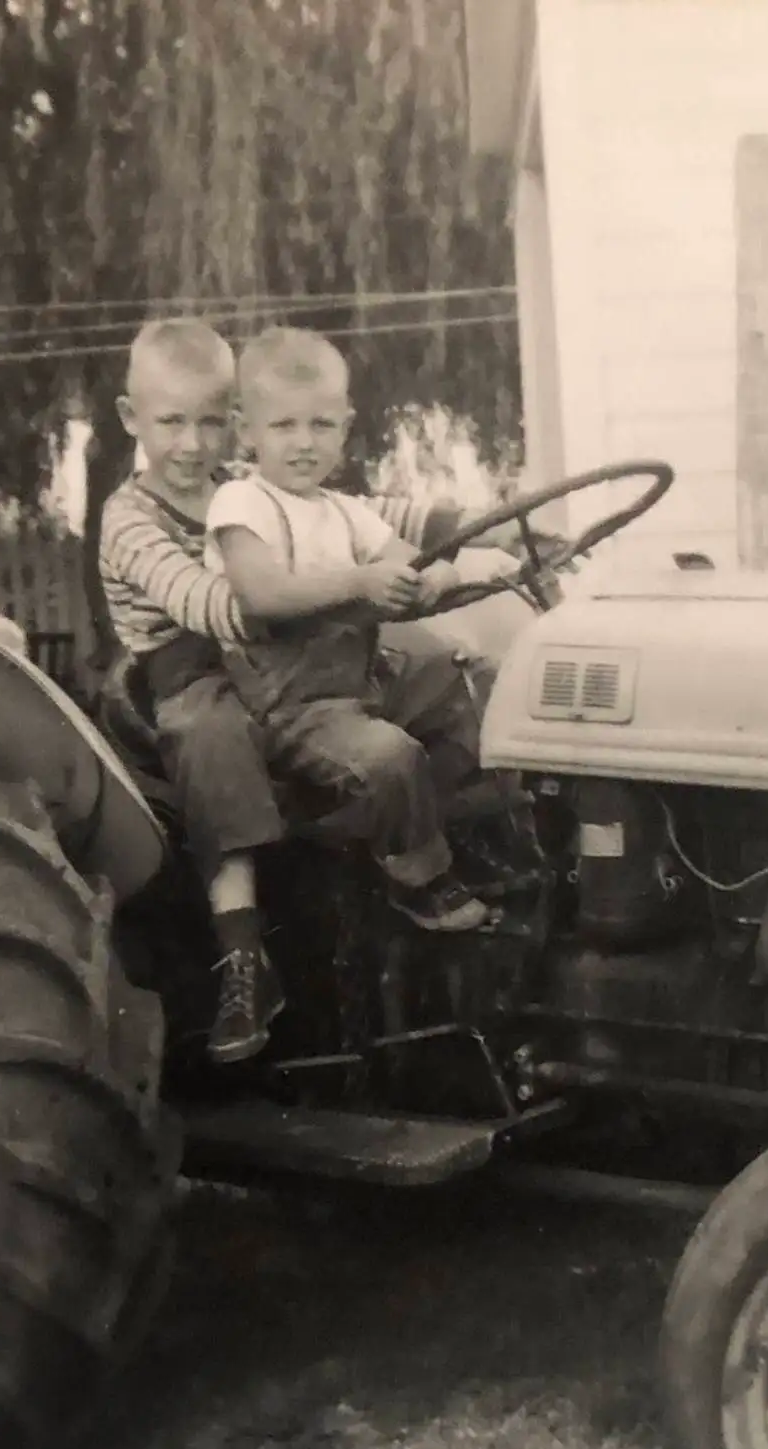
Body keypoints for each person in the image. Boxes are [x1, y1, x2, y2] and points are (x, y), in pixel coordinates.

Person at [99, 316, 520, 1064]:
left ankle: (451, 843)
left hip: (298, 649)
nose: (191, 444)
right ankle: (240, 955)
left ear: (231, 427)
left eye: (206, 423)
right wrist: (360, 590)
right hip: (190, 663)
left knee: (454, 669)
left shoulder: (240, 482)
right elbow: (216, 604)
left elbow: (359, 513)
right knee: (212, 736)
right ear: (134, 420)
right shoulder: (129, 519)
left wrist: (486, 529)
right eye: (171, 423)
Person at [204, 325, 502, 940]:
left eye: (321, 425)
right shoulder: (242, 502)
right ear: (246, 431)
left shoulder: (346, 511)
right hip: (293, 703)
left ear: (345, 426)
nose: (304, 443)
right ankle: (418, 878)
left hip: (364, 677)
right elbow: (262, 594)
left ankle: (492, 829)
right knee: (389, 757)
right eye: (284, 426)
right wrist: (361, 582)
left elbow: (412, 569)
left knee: (477, 684)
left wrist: (462, 573)